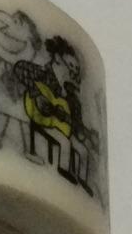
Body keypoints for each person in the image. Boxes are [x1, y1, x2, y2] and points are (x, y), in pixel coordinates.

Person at [14, 35, 95, 195]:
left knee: (83, 150)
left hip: (57, 124)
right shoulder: (42, 73)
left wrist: (85, 133)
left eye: (75, 69)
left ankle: (82, 184)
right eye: (70, 66)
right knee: (64, 142)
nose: (72, 71)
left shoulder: (68, 91)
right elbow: (19, 68)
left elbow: (71, 117)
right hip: (40, 119)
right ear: (57, 58)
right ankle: (64, 171)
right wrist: (37, 93)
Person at [0, 8, 42, 149]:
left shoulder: (29, 47)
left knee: (22, 119)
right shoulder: (23, 43)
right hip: (12, 88)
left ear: (25, 28)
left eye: (16, 22)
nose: (10, 24)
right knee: (4, 112)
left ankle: (29, 149)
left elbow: (16, 60)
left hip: (20, 91)